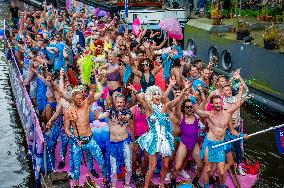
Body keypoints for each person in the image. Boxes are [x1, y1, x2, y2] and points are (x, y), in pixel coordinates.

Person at [128, 85, 189, 188]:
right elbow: (140, 100)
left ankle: (162, 184)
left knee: (165, 165)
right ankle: (146, 186)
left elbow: (177, 101)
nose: (157, 96)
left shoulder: (165, 106)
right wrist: (134, 90)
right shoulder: (149, 107)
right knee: (152, 167)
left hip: (165, 139)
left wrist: (184, 90)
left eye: (158, 94)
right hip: (154, 139)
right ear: (150, 96)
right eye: (154, 94)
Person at [194, 84, 247, 188]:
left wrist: (241, 135)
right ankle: (206, 186)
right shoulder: (208, 114)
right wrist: (194, 95)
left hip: (220, 145)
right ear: (212, 105)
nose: (218, 105)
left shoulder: (227, 114)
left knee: (222, 172)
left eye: (219, 103)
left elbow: (232, 130)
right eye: (216, 103)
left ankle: (222, 186)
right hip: (209, 144)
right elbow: (197, 110)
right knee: (208, 168)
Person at [64, 74, 108, 187]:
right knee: (77, 167)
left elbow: (92, 91)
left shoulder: (86, 104)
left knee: (101, 161)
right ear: (72, 99)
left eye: (80, 98)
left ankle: (105, 180)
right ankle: (77, 184)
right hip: (77, 142)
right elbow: (66, 130)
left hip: (90, 139)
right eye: (77, 99)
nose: (79, 101)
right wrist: (74, 139)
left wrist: (92, 78)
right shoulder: (68, 111)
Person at [96, 94, 133, 188]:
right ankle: (113, 186)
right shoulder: (109, 112)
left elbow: (127, 117)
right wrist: (97, 115)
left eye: (121, 102)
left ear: (124, 103)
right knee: (113, 169)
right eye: (118, 102)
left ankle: (127, 184)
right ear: (114, 103)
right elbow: (101, 116)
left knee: (128, 166)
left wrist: (124, 117)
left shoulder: (127, 112)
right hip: (113, 144)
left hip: (125, 143)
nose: (119, 104)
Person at [171, 98, 204, 188]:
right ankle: (173, 181)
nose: (190, 108)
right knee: (177, 167)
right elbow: (176, 107)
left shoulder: (197, 116)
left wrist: (201, 93)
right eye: (187, 107)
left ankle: (195, 181)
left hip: (195, 144)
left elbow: (203, 102)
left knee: (201, 166)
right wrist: (183, 92)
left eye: (191, 107)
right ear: (184, 108)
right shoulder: (181, 116)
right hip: (184, 144)